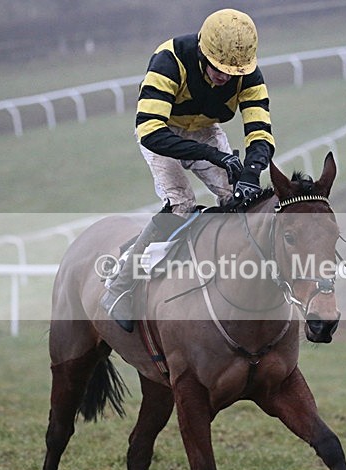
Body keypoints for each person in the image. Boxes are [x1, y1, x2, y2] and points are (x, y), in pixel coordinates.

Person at [101, 8, 276, 332]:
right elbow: (150, 130)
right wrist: (214, 155)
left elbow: (260, 133)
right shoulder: (169, 60)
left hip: (205, 130)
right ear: (201, 51)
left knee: (240, 199)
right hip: (161, 132)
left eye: (232, 72)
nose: (225, 77)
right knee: (181, 204)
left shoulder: (248, 73)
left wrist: (251, 174)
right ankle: (122, 283)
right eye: (218, 68)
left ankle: (232, 281)